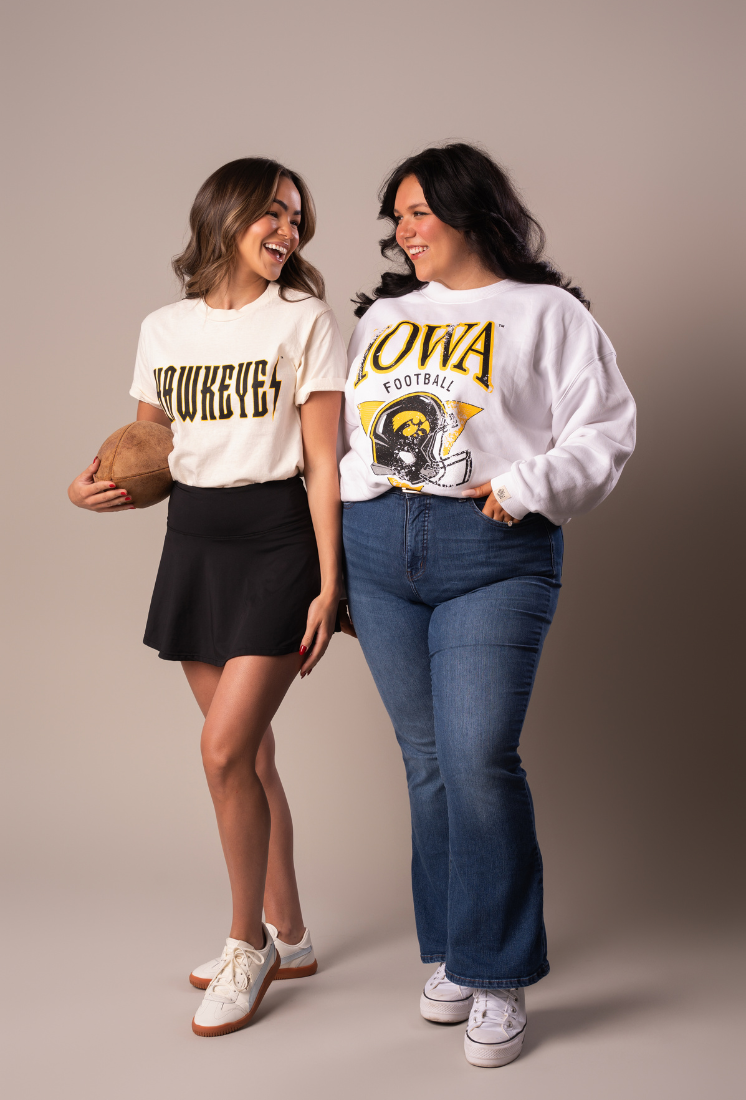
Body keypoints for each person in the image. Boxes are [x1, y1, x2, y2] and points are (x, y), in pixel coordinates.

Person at [339, 142, 636, 1068]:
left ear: (471, 212)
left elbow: (608, 426)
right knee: (426, 761)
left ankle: (499, 972)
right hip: (380, 547)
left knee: (476, 758)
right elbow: (335, 432)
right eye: (397, 216)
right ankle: (458, 955)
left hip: (493, 546)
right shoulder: (382, 317)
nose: (403, 231)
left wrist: (528, 484)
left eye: (419, 212)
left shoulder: (546, 314)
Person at [68, 157, 346, 1037]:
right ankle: (292, 933)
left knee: (222, 750)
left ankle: (245, 943)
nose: (287, 232)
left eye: (296, 219)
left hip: (277, 544)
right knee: (253, 755)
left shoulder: (306, 320)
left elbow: (325, 463)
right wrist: (88, 488)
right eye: (272, 213)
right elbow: (146, 451)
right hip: (193, 543)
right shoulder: (164, 327)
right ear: (224, 216)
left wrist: (330, 584)